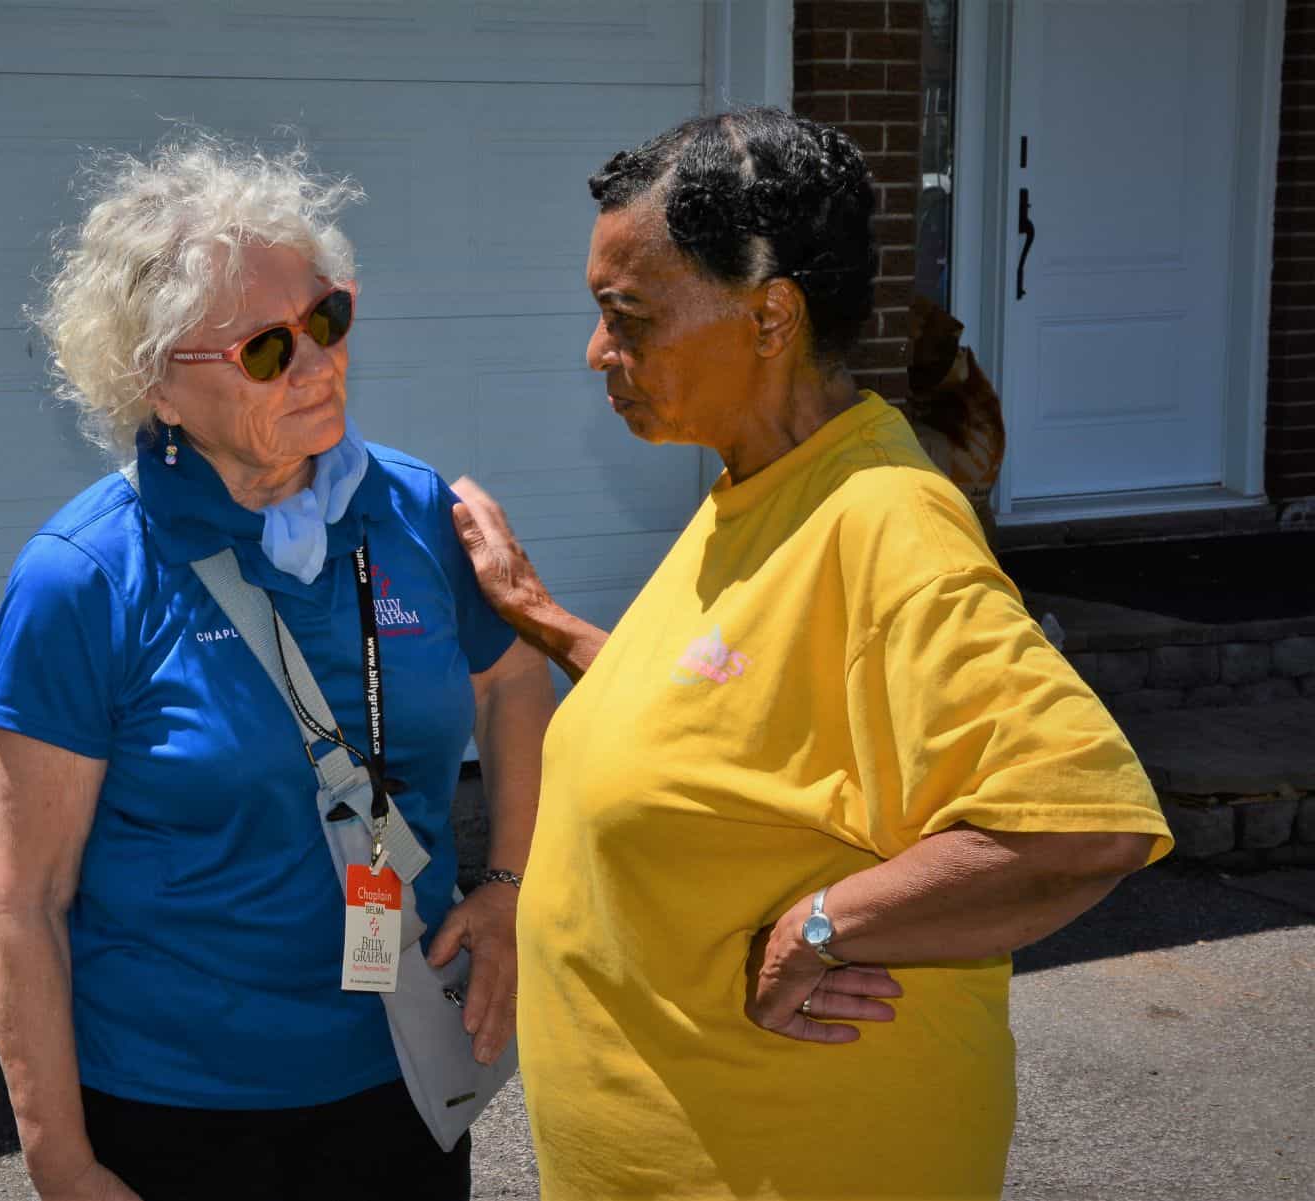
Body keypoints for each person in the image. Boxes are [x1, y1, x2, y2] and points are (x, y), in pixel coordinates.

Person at [448, 107, 1174, 1200]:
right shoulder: (755, 492)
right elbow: (715, 721)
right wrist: (540, 615)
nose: (598, 351)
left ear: (771, 314)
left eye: (627, 316)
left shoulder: (886, 521)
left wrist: (823, 928)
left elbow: (1084, 821)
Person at [0, 135, 552, 1201]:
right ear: (156, 385)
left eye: (326, 318)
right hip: (176, 1110)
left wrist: (511, 881)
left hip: (400, 1076)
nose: (318, 361)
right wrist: (61, 1159)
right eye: (264, 349)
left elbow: (514, 682)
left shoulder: (416, 509)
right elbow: (23, 903)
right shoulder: (82, 578)